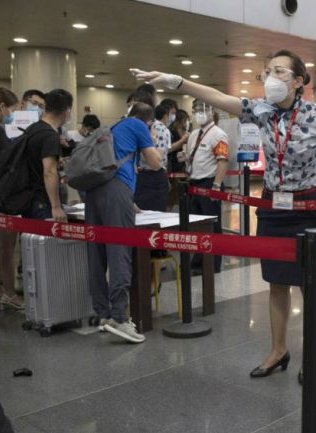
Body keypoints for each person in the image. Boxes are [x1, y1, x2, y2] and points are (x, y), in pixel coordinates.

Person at [131, 48, 316, 380]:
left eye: (279, 72)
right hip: (272, 208)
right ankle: (278, 350)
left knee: (312, 286)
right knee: (276, 283)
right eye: (267, 72)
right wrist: (178, 81)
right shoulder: (260, 110)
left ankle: (315, 354)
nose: (270, 78)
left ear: (297, 81)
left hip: (308, 208)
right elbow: (220, 98)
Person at [86, 102, 160, 343]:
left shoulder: (114, 126)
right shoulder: (139, 125)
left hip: (94, 191)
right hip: (116, 191)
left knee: (96, 253)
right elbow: (155, 162)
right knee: (119, 252)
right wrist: (152, 139)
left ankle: (103, 314)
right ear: (148, 120)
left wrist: (130, 203)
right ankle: (120, 316)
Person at [178, 101, 228, 273]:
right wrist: (185, 157)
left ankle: (213, 265)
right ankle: (199, 260)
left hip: (209, 183)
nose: (199, 113)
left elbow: (222, 161)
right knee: (198, 226)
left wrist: (216, 185)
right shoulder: (194, 134)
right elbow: (194, 156)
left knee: (213, 226)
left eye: (202, 110)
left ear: (212, 111)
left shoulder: (218, 134)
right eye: (196, 110)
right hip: (194, 183)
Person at [0, 88, 23, 310]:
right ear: (2, 107)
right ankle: (9, 292)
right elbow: (10, 162)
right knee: (6, 247)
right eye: (11, 109)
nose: (11, 113)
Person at [21, 89, 71, 222]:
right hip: (42, 202)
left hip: (27, 198)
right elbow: (49, 171)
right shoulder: (50, 135)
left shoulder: (32, 129)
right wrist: (56, 206)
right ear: (66, 112)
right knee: (46, 242)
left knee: (29, 241)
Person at [134, 104, 171, 212]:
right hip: (154, 177)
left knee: (141, 216)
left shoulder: (141, 128)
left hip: (142, 175)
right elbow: (156, 161)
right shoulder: (163, 130)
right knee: (156, 216)